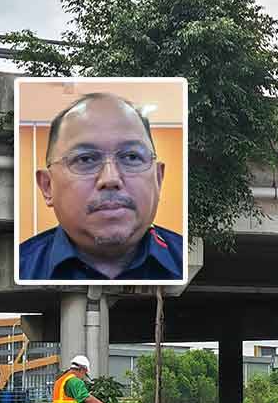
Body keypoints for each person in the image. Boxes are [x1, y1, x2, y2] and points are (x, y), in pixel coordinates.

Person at [19, 92, 184, 281]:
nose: (111, 179)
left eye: (131, 157)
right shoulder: (22, 268)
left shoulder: (185, 262)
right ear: (48, 186)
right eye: (85, 159)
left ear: (158, 178)